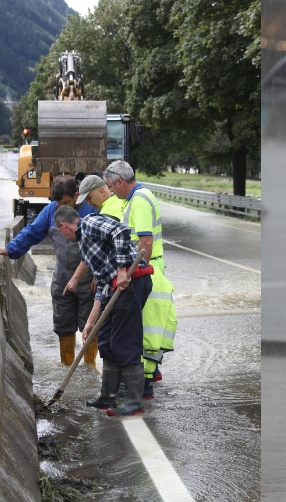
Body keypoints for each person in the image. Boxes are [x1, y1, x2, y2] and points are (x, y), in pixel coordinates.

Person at [54, 205, 152, 416]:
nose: (62, 235)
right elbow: (102, 283)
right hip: (114, 287)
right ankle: (107, 396)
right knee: (106, 341)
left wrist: (122, 270)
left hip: (131, 284)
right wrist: (91, 321)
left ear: (64, 226)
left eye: (60, 231)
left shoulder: (89, 223)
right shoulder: (84, 245)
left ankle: (134, 401)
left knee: (125, 342)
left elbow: (121, 231)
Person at [0, 176, 99, 366]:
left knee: (91, 327)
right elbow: (32, 232)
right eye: (58, 203)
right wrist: (10, 249)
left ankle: (90, 370)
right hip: (62, 280)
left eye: (66, 203)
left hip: (89, 282)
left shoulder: (92, 210)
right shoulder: (51, 211)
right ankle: (67, 366)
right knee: (63, 326)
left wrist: (100, 275)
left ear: (77, 195)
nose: (62, 207)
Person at [103, 160, 166, 391]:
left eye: (111, 186)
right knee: (147, 327)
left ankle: (143, 385)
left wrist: (139, 273)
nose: (110, 191)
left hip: (147, 270)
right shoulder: (142, 195)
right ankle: (147, 380)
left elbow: (145, 241)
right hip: (152, 268)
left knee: (141, 329)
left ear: (120, 181)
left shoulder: (138, 200)